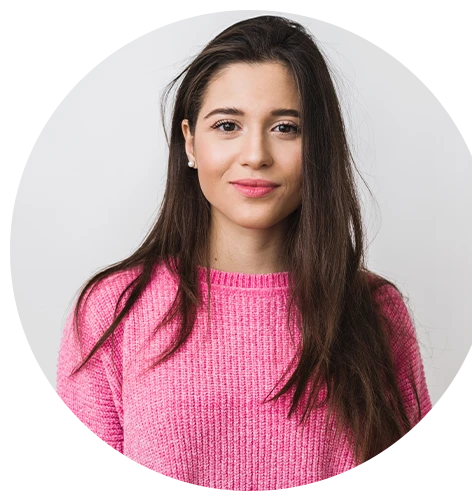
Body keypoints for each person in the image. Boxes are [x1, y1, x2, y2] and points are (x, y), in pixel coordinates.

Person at [56, 15, 433, 492]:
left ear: (319, 146)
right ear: (191, 142)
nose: (256, 155)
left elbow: (415, 486)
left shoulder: (375, 311)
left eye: (286, 127)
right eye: (228, 125)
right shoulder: (112, 311)